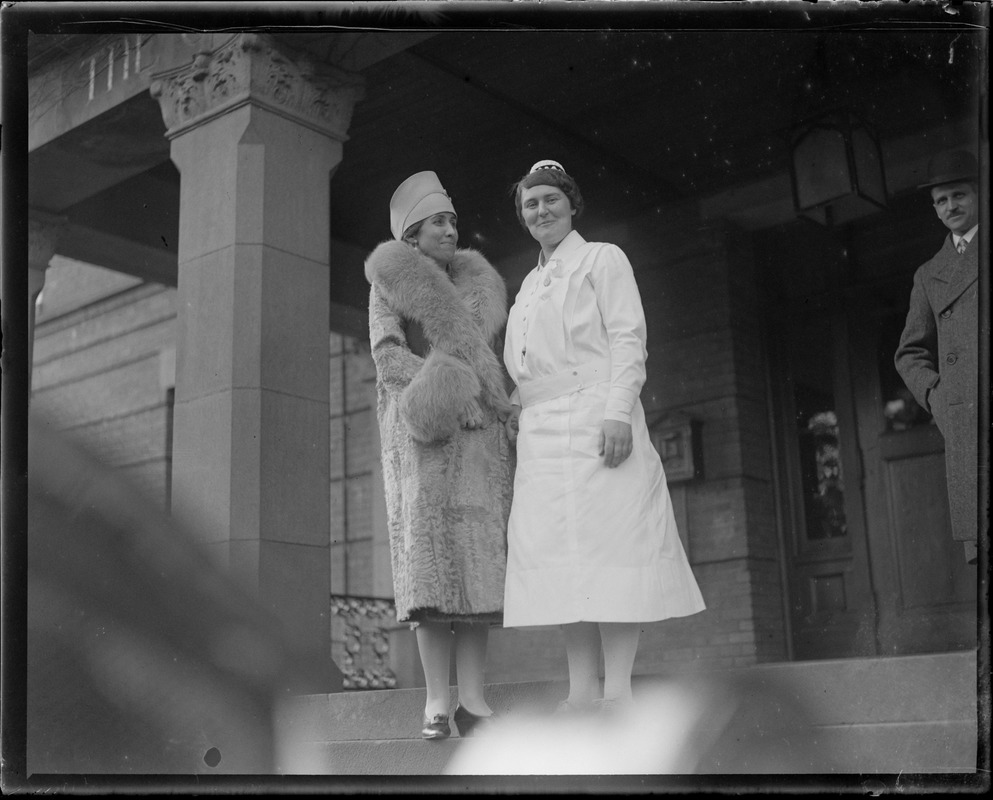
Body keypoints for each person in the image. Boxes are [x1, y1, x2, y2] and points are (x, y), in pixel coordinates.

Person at [501, 160, 706, 713]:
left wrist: (619, 412)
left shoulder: (601, 259)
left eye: (550, 200)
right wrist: (514, 408)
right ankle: (580, 688)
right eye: (530, 204)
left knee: (612, 552)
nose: (541, 210)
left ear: (571, 204)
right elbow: (528, 367)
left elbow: (628, 340)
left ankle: (617, 689)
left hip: (598, 420)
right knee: (562, 561)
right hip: (542, 436)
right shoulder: (528, 284)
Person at [364, 171, 514, 739]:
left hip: (479, 446)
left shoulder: (479, 285)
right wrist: (450, 392)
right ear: (411, 235)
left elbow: (494, 359)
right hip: (426, 439)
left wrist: (491, 401)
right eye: (437, 222)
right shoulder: (389, 284)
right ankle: (434, 703)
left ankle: (474, 700)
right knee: (430, 579)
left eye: (452, 220)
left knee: (477, 575)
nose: (450, 230)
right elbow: (388, 357)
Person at [895, 149, 981, 565]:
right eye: (942, 200)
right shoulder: (929, 274)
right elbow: (909, 353)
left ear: (978, 195)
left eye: (959, 195)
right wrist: (938, 397)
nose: (952, 206)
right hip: (967, 424)